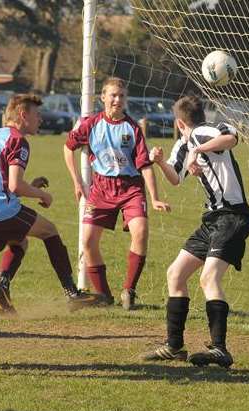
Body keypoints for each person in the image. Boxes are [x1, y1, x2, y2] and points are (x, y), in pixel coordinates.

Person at [0, 94, 104, 316]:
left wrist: (31, 186)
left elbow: (1, 179)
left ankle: (2, 286)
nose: (41, 119)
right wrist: (42, 195)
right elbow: (15, 186)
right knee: (50, 231)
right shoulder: (18, 140)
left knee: (19, 241)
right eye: (37, 115)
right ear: (23, 115)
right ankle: (72, 294)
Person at [144, 95, 249, 368]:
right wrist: (160, 162)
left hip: (233, 216)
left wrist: (198, 150)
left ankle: (220, 349)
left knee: (208, 278)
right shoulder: (183, 143)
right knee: (176, 273)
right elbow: (175, 178)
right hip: (212, 219)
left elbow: (232, 136)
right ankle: (174, 346)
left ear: (179, 122)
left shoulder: (202, 132)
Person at [64, 77, 170, 310]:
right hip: (100, 188)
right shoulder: (90, 124)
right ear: (103, 97)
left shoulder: (132, 128)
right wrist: (78, 182)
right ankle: (103, 296)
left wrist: (154, 198)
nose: (117, 100)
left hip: (130, 188)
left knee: (140, 232)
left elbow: (145, 166)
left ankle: (129, 290)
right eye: (113, 95)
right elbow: (67, 147)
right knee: (88, 241)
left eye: (121, 96)